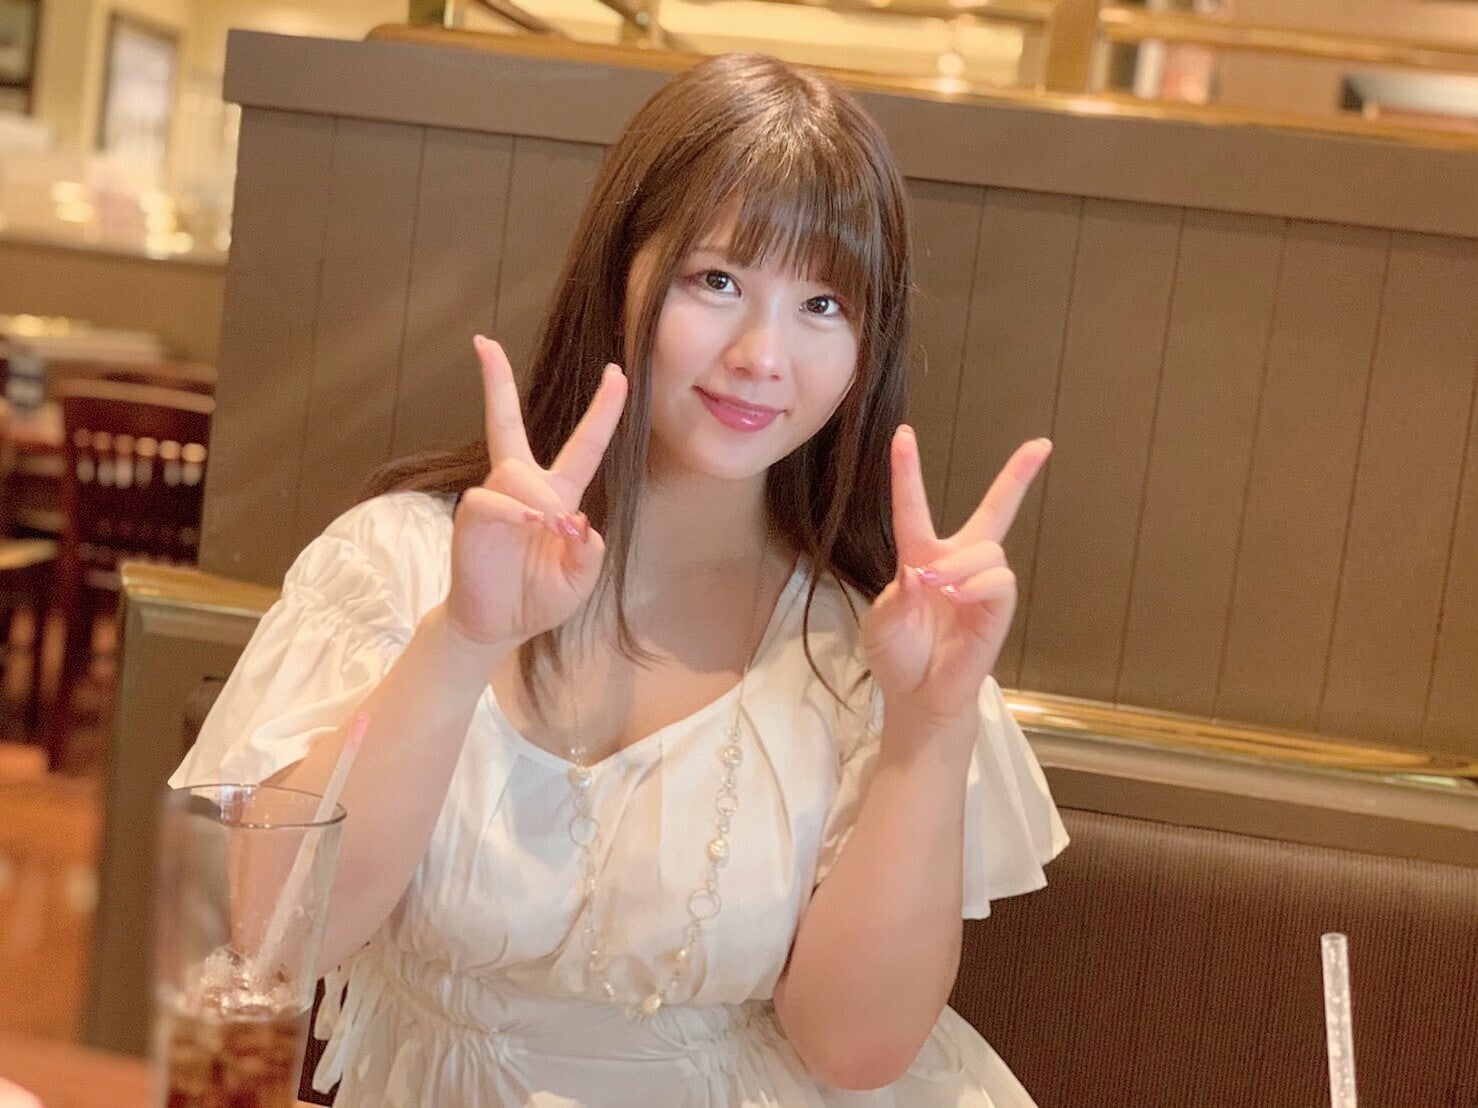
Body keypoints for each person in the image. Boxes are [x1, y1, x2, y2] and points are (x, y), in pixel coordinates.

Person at [173, 51, 1068, 1107]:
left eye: (824, 303)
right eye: (717, 281)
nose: (762, 354)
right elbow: (267, 940)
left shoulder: (867, 650)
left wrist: (928, 730)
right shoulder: (401, 563)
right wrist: (462, 642)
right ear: (620, 275)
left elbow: (854, 1050)